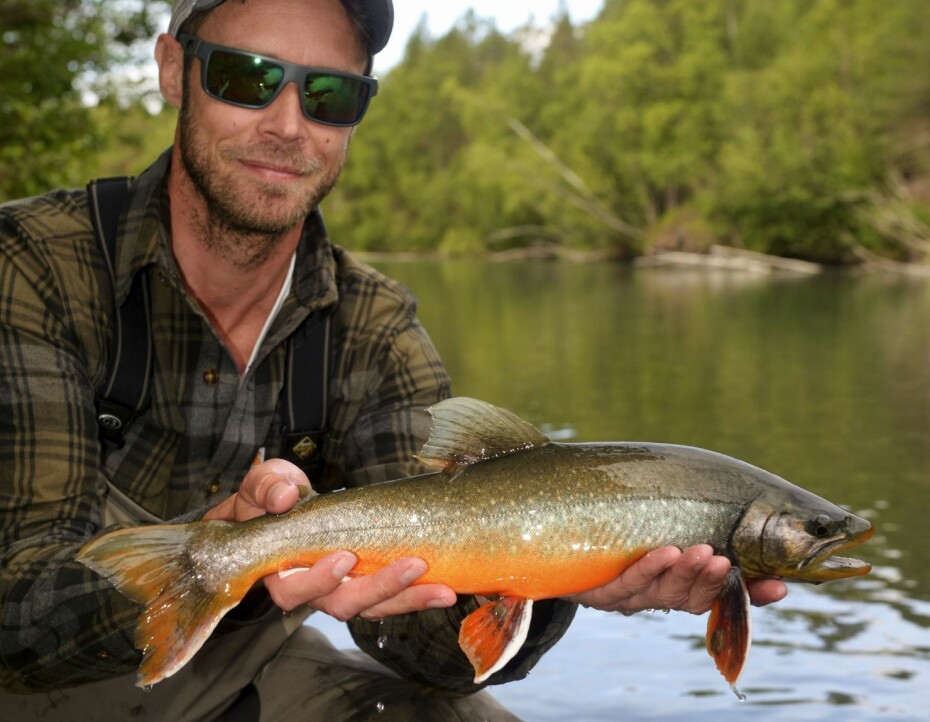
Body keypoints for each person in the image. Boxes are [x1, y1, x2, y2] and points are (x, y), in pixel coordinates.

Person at [0, 0, 787, 719]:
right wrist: (220, 557)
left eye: (329, 95)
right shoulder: (33, 266)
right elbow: (16, 615)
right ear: (175, 70)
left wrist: (561, 577)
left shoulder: (373, 325)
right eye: (246, 78)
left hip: (246, 669)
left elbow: (431, 655)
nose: (286, 123)